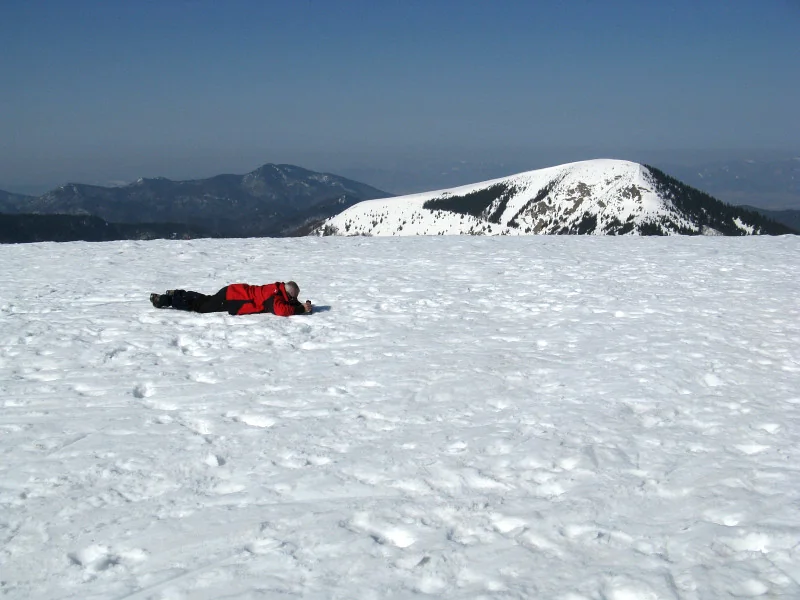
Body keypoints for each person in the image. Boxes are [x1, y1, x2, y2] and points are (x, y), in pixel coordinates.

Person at [150, 281, 312, 316]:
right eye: (294, 298)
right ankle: (166, 300)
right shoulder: (273, 298)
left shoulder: (278, 289)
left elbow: (287, 302)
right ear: (287, 294)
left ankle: (176, 293)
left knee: (205, 300)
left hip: (233, 291)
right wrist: (300, 309)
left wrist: (301, 305)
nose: (294, 300)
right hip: (233, 299)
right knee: (200, 307)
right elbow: (280, 310)